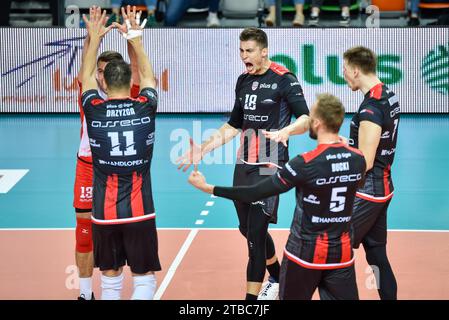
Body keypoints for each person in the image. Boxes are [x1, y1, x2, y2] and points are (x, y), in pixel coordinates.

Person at [188, 93, 366, 300]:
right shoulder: (358, 159)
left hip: (304, 254)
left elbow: (255, 192)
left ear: (316, 123)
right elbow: (355, 182)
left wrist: (209, 188)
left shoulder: (304, 164)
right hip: (341, 255)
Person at [177, 27, 310, 300]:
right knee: (246, 229)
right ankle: (278, 275)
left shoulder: (285, 80)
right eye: (241, 50)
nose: (243, 56)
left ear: (264, 52)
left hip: (270, 162)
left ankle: (252, 301)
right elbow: (234, 125)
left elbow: (305, 119)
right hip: (244, 160)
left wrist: (287, 131)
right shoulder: (243, 81)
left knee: (256, 233)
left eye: (249, 51)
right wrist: (204, 148)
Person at [80, 5, 161, 300]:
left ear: (104, 81)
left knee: (111, 279)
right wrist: (135, 38)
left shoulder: (93, 109)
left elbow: (86, 77)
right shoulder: (145, 106)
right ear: (130, 82)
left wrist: (94, 37)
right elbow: (150, 78)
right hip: (141, 211)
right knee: (143, 278)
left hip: (104, 212)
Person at [74, 6, 140, 300]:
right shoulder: (87, 95)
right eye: (96, 71)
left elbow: (136, 69)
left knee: (120, 230)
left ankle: (119, 283)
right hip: (88, 165)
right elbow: (85, 69)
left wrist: (132, 38)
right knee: (84, 231)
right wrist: (93, 38)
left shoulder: (131, 93)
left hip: (117, 167)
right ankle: (86, 293)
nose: (98, 76)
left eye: (104, 71)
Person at [343, 46, 400, 300]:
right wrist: (349, 144)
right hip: (383, 189)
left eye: (344, 70)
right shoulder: (388, 94)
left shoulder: (370, 109)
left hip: (366, 194)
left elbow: (364, 162)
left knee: (333, 250)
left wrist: (334, 159)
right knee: (377, 257)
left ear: (356, 70)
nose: (343, 75)